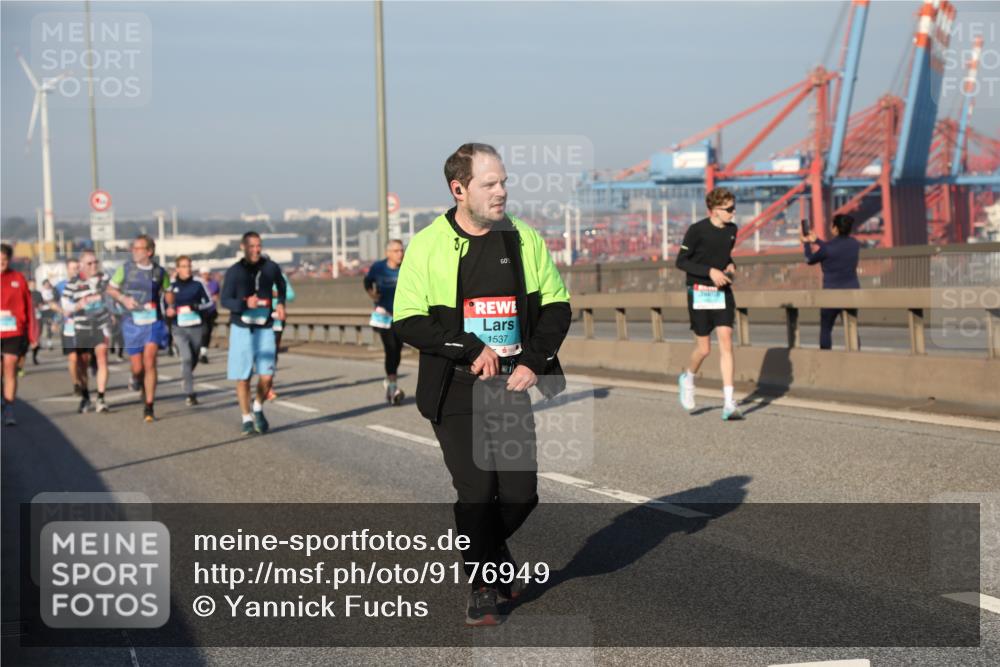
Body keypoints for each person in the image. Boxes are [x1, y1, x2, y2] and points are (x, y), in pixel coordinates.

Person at [393, 143, 571, 626]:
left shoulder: (522, 239)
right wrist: (469, 347)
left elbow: (556, 305)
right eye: (489, 184)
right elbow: (407, 320)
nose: (501, 191)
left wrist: (534, 361)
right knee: (476, 490)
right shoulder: (429, 245)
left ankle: (490, 553)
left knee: (520, 493)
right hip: (456, 388)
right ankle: (482, 584)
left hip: (510, 386)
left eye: (504, 182)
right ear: (459, 189)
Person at [675, 187, 742, 421]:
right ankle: (688, 378)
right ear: (714, 211)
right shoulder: (697, 231)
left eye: (734, 208)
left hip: (722, 292)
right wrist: (709, 271)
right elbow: (681, 261)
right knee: (704, 349)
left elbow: (723, 255)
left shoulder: (732, 230)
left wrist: (730, 265)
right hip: (699, 292)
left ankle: (728, 402)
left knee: (726, 342)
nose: (733, 213)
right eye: (729, 209)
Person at [221, 232, 286, 436]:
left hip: (265, 326)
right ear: (243, 247)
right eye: (252, 246)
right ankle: (246, 417)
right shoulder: (234, 272)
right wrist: (243, 303)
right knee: (243, 378)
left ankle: (257, 406)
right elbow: (224, 300)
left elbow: (281, 285)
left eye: (259, 246)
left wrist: (281, 303)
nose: (256, 250)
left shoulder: (270, 267)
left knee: (267, 375)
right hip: (242, 328)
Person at [107, 234, 173, 422]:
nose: (134, 251)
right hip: (132, 322)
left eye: (138, 248)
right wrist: (124, 299)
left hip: (154, 321)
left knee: (150, 361)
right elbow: (110, 289)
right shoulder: (125, 269)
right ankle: (137, 379)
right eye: (133, 248)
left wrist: (170, 304)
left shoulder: (160, 272)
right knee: (137, 367)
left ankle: (149, 406)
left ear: (149, 252)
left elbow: (168, 291)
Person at [61, 250, 112, 413]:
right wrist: (78, 305)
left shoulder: (104, 279)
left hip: (101, 326)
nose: (93, 266)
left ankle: (101, 398)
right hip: (82, 327)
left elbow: (115, 294)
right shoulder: (73, 283)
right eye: (89, 263)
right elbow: (65, 305)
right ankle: (85, 396)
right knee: (81, 364)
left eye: (95, 262)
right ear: (82, 265)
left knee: (102, 358)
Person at [802, 213, 862, 350]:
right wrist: (817, 240)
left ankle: (826, 357)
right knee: (851, 327)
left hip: (831, 294)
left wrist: (806, 243)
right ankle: (857, 356)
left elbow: (809, 259)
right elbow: (834, 249)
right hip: (851, 291)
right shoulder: (855, 244)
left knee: (826, 328)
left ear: (835, 228)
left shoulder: (827, 248)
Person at [166, 256, 213, 406]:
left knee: (193, 357)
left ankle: (186, 376)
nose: (187, 269)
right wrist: (169, 311)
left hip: (196, 325)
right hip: (179, 327)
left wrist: (197, 307)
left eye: (189, 266)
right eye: (184, 266)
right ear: (177, 269)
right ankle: (190, 393)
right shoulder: (171, 286)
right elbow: (164, 303)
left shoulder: (198, 283)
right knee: (186, 358)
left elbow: (210, 302)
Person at [364, 239, 405, 405]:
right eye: (396, 251)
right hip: (384, 314)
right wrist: (372, 294)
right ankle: (393, 384)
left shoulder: (407, 267)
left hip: (402, 314)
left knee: (398, 350)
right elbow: (367, 281)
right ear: (388, 253)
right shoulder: (378, 267)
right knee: (391, 348)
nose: (400, 254)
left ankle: (390, 380)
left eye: (401, 250)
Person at [1, 244, 38, 426]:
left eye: (4, 260)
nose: (1, 262)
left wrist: (33, 333)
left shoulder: (18, 278)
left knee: (10, 368)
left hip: (14, 331)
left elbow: (29, 306)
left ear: (9, 260)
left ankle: (9, 407)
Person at [266, 266, 295, 401]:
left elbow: (291, 295)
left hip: (276, 318)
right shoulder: (252, 276)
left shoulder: (280, 277)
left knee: (273, 352)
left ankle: (268, 385)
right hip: (258, 318)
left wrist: (275, 294)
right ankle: (261, 380)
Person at [56, 258, 82, 396]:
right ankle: (76, 383)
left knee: (83, 359)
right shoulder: (60, 286)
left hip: (85, 327)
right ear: (67, 269)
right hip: (69, 327)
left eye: (77, 267)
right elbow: (51, 302)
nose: (75, 271)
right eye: (73, 268)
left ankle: (83, 381)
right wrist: (60, 313)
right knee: (73, 358)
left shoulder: (85, 283)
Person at [196, 266, 220, 364]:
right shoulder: (197, 284)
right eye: (204, 274)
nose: (206, 276)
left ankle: (203, 353)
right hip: (199, 311)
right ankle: (199, 351)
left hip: (210, 311)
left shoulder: (214, 283)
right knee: (202, 331)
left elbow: (215, 295)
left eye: (207, 274)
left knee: (207, 331)